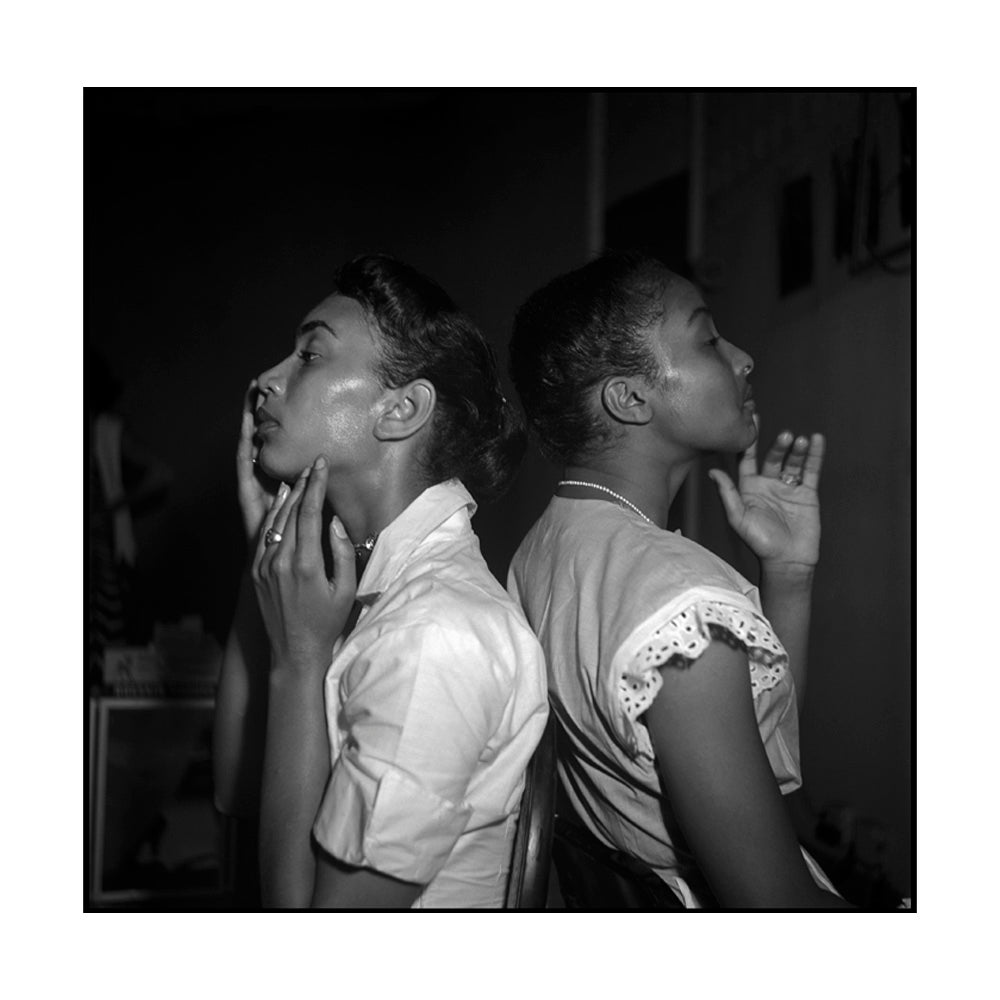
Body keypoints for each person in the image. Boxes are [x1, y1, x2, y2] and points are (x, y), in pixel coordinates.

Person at [507, 251, 851, 909]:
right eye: (708, 338)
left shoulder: (550, 544)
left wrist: (788, 574)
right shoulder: (677, 601)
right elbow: (774, 910)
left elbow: (755, 746)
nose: (743, 357)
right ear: (631, 397)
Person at [213, 253, 548, 909]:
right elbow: (238, 791)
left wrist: (300, 660)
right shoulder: (368, 580)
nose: (264, 382)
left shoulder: (436, 634)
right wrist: (266, 553)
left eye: (309, 356)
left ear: (400, 410)